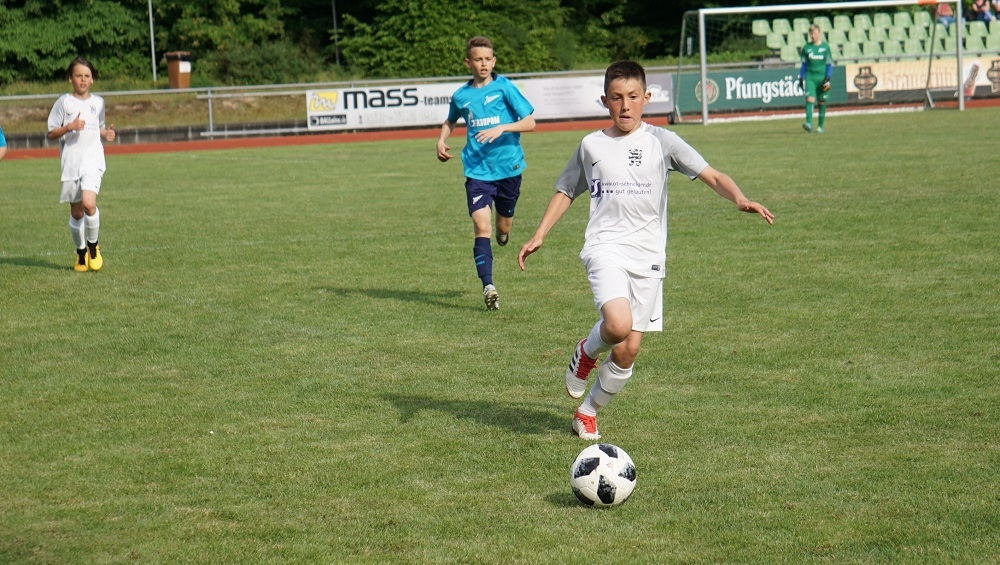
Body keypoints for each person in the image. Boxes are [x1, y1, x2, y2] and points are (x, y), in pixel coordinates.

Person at [516, 61, 774, 440]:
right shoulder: (591, 145)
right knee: (617, 326)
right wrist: (540, 233)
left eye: (633, 97)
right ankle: (586, 352)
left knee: (628, 350)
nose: (625, 105)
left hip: (649, 257)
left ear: (646, 98)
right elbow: (566, 189)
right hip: (605, 247)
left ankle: (587, 412)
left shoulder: (662, 141)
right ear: (604, 100)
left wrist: (739, 198)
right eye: (617, 97)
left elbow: (712, 174)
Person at [436, 36, 536, 310]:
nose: (483, 64)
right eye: (478, 59)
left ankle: (504, 233)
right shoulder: (461, 95)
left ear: (494, 61)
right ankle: (488, 286)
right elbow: (450, 120)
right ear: (468, 62)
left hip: (508, 169)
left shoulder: (504, 87)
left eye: (487, 59)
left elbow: (530, 122)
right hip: (477, 170)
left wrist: (502, 127)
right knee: (481, 227)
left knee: (503, 227)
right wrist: (441, 140)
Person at [47, 57, 115, 272]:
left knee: (89, 204)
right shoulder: (63, 103)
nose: (83, 80)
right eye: (79, 76)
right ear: (71, 78)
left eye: (87, 76)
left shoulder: (99, 103)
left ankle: (94, 248)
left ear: (92, 79)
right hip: (71, 163)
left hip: (93, 160)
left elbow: (97, 126)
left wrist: (106, 133)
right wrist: (69, 126)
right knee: (77, 213)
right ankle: (81, 252)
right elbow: (51, 133)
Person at [798, 24, 834, 134]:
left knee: (822, 101)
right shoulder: (806, 48)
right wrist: (801, 77)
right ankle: (809, 123)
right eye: (811, 34)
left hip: (823, 78)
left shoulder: (825, 48)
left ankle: (820, 126)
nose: (813, 36)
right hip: (810, 77)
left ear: (819, 33)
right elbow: (804, 64)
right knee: (810, 99)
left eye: (814, 33)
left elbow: (829, 64)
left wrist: (828, 78)